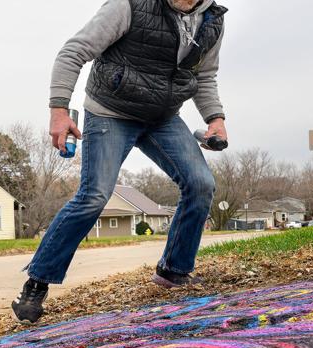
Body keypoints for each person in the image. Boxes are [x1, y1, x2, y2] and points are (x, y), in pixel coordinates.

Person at [13, 0, 229, 324]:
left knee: (201, 184)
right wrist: (59, 110)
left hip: (163, 117)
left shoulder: (211, 20)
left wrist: (216, 118)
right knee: (94, 196)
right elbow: (73, 51)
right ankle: (36, 284)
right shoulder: (129, 5)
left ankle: (174, 271)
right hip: (110, 111)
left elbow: (205, 76)